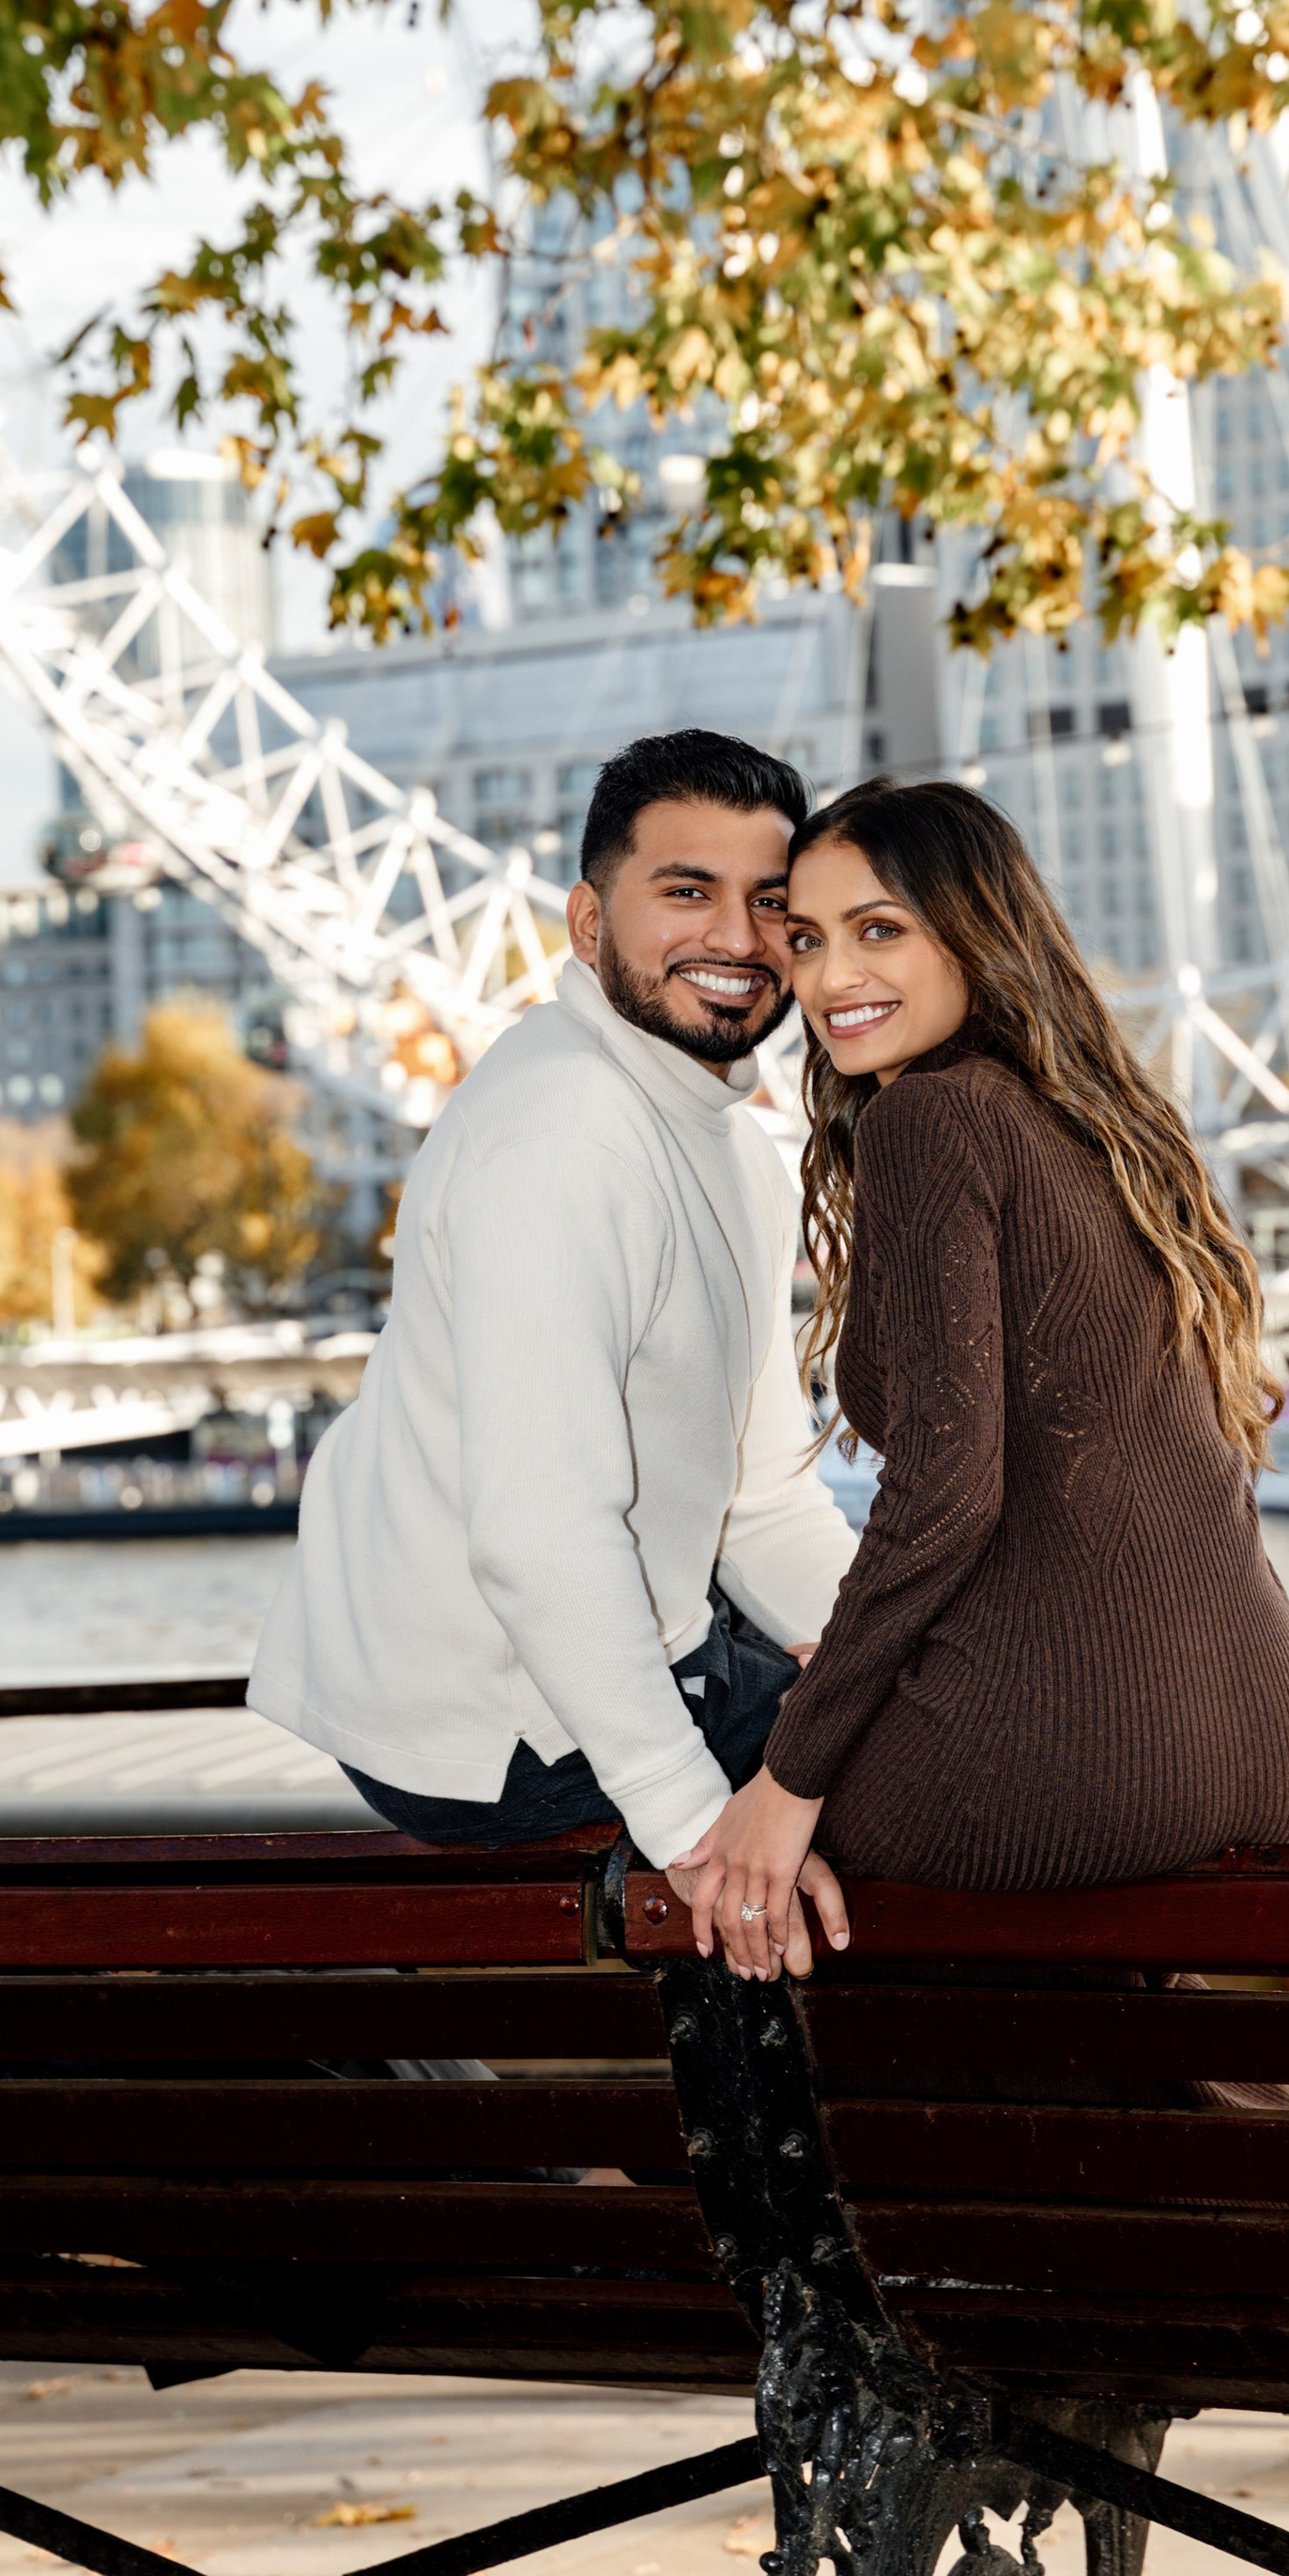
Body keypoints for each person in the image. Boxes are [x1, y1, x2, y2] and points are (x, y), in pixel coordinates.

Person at [672, 776, 1289, 1979]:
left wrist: (790, 1775)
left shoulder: (932, 1121)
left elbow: (947, 1492)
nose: (827, 980)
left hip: (1092, 1750)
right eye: (806, 940)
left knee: (736, 1851)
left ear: (975, 927)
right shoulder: (1104, 1121)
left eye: (880, 930)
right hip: (1265, 1733)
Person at [250, 728, 857, 1932]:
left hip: (590, 1652)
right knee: (957, 1804)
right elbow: (538, 1533)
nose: (736, 939)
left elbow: (764, 1494)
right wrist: (700, 1834)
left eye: (769, 903)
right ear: (587, 925)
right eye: (686, 892)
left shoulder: (724, 1140)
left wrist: (866, 1662)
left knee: (945, 1729)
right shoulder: (565, 1133)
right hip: (500, 1723)